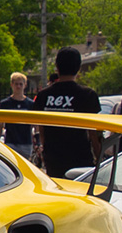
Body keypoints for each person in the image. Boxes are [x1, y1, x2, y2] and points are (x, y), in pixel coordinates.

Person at [32, 47, 102, 178]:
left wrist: (44, 152)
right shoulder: (87, 95)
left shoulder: (44, 95)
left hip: (53, 160)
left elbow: (41, 129)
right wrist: (99, 158)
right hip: (81, 161)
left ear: (57, 67)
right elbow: (93, 133)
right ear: (78, 68)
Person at [0, 71, 37, 163]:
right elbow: (0, 123)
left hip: (26, 141)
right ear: (12, 85)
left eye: (21, 84)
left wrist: (36, 140)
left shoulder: (30, 104)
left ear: (25, 85)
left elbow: (35, 124)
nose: (18, 87)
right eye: (16, 84)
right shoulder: (5, 104)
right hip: (11, 141)